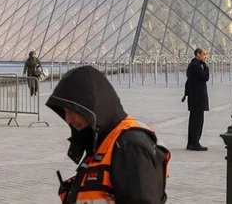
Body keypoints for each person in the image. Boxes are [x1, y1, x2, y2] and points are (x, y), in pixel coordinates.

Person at [46, 65, 170, 204]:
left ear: (90, 107)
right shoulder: (103, 140)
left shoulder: (130, 145)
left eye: (71, 111)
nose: (68, 119)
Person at [183, 47, 210, 151]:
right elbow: (205, 77)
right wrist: (206, 67)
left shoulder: (193, 65)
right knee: (197, 121)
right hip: (198, 97)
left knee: (194, 121)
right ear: (198, 54)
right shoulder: (196, 65)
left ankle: (191, 143)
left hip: (194, 97)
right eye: (204, 54)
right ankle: (195, 143)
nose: (205, 56)